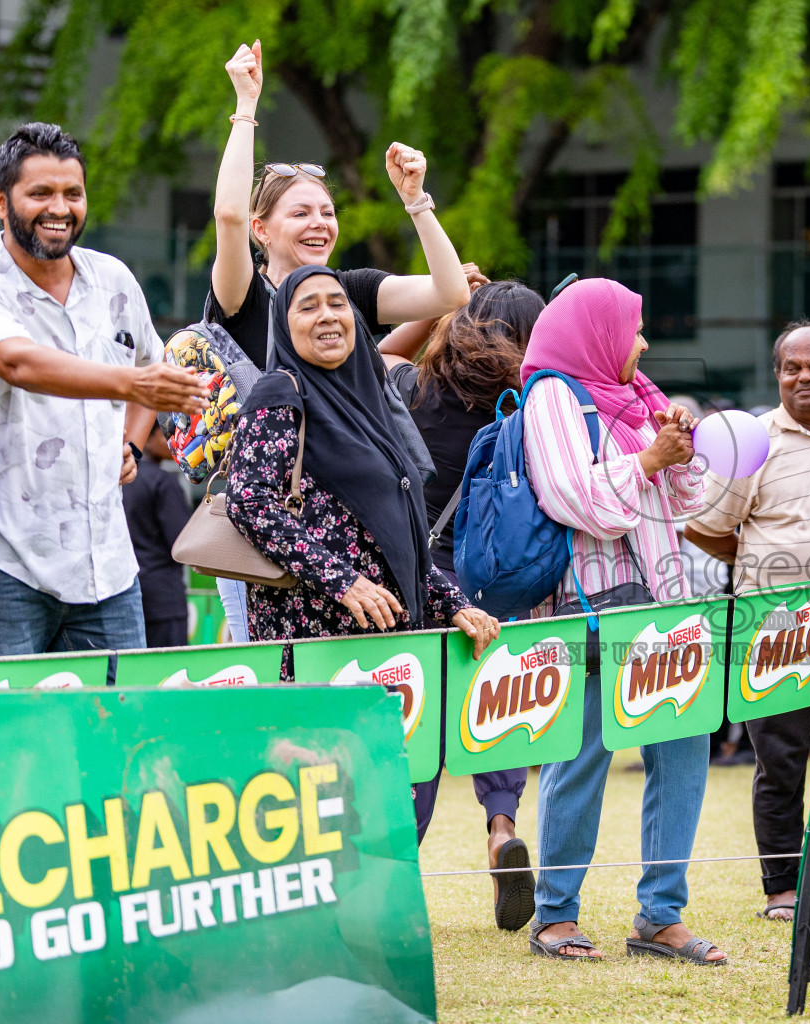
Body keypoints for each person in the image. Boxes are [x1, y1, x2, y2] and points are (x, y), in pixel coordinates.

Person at [208, 40, 471, 641]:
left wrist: (416, 201)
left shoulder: (346, 292)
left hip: (360, 521)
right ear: (261, 229)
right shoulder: (245, 299)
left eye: (327, 212)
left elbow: (450, 293)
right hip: (282, 536)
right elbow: (225, 215)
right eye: (300, 213)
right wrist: (247, 104)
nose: (320, 224)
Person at [0, 122, 205, 660]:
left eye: (72, 194)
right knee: (14, 739)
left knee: (111, 732)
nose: (60, 207)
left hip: (107, 567)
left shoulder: (114, 280)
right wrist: (133, 382)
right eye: (40, 193)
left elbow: (152, 365)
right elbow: (17, 361)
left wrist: (129, 442)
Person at [521, 278, 721, 964]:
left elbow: (683, 502)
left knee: (684, 748)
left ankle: (661, 917)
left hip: (663, 605)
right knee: (581, 757)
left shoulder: (640, 396)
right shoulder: (554, 395)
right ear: (598, 333)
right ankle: (554, 915)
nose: (642, 341)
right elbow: (575, 498)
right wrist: (648, 461)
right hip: (588, 606)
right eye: (633, 328)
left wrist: (680, 455)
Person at [683, 318, 810, 923]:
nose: (803, 377)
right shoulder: (752, 442)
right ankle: (782, 891)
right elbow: (702, 526)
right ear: (778, 374)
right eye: (791, 367)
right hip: (777, 639)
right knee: (782, 767)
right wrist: (762, 563)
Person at [225, 266, 497, 662]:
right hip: (320, 638)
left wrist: (454, 603)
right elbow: (247, 501)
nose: (328, 315)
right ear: (284, 327)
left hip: (387, 638)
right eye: (308, 307)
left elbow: (394, 539)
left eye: (339, 304)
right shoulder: (280, 392)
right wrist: (344, 582)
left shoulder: (369, 402)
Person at [383, 280, 546, 932]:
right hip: (493, 581)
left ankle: (394, 875)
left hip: (409, 580)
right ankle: (499, 830)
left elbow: (376, 350)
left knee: (413, 730)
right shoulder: (529, 412)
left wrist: (442, 301)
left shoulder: (406, 391)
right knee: (495, 710)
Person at [121, 427, 195, 648]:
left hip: (128, 591)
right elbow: (182, 542)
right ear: (147, 439)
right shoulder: (164, 482)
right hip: (164, 597)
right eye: (164, 435)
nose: (172, 440)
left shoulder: (121, 480)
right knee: (170, 672)